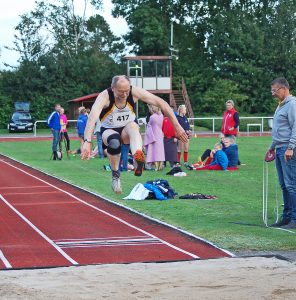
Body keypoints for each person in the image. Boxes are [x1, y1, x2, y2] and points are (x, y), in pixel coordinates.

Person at [81, 75, 188, 194]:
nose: (125, 95)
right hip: (109, 130)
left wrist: (177, 126)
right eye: (121, 92)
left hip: (128, 130)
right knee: (115, 142)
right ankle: (116, 175)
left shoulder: (134, 92)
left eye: (127, 91)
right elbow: (92, 118)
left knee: (132, 126)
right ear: (113, 88)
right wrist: (87, 141)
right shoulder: (104, 96)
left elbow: (161, 103)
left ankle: (138, 156)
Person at [266, 77, 296, 229]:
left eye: (275, 90)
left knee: (291, 185)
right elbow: (278, 131)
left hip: (287, 150)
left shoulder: (292, 105)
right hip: (279, 149)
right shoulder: (280, 106)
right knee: (284, 185)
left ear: (284, 89)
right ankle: (287, 217)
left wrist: (291, 147)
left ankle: (294, 219)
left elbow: (295, 127)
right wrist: (272, 147)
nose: (273, 94)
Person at [144, 104, 165, 171]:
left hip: (154, 135)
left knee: (154, 151)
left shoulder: (152, 117)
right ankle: (161, 165)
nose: (152, 109)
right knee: (160, 150)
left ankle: (156, 167)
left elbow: (149, 125)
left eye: (153, 108)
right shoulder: (162, 116)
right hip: (160, 134)